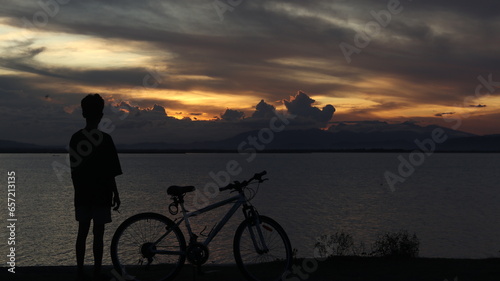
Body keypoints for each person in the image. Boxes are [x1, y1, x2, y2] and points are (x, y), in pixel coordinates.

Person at [69, 94, 122, 281]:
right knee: (98, 234)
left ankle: (80, 271)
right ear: (100, 114)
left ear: (84, 113)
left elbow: (74, 172)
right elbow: (111, 172)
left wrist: (79, 191)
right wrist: (115, 193)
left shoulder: (76, 138)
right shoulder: (105, 140)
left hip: (83, 194)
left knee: (82, 232)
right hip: (101, 194)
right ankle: (97, 272)